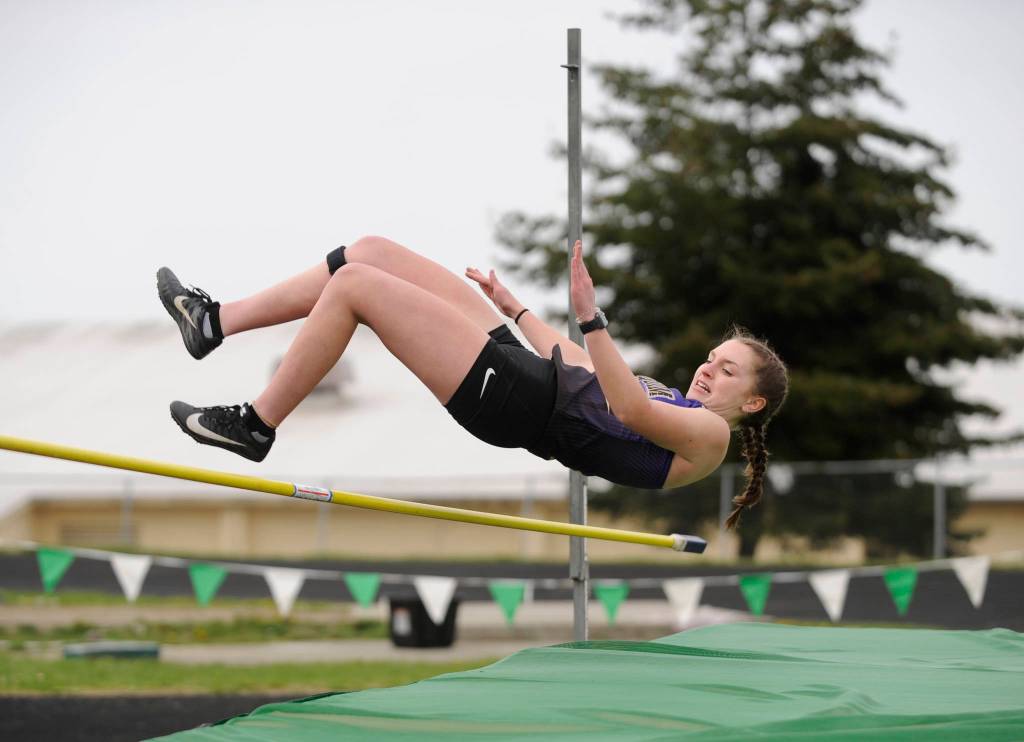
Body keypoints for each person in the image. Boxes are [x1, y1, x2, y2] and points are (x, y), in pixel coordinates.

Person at [158, 236, 788, 527]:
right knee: (368, 253)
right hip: (525, 374)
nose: (708, 367)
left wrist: (594, 315)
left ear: (752, 401)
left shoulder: (708, 437)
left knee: (355, 290)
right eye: (712, 357)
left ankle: (255, 425)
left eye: (726, 369)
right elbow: (576, 360)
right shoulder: (680, 401)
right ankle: (214, 322)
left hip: (518, 406)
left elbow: (621, 402)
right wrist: (511, 307)